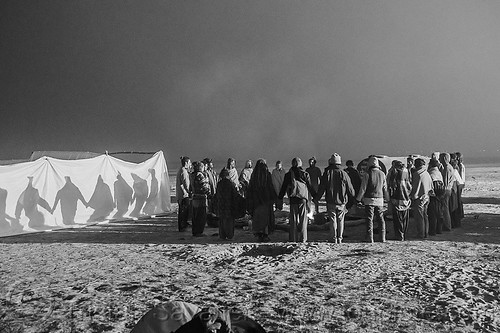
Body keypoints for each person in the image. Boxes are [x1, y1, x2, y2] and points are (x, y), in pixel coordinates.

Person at [315, 153, 355, 244]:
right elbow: (351, 189)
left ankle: (333, 238)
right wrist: (352, 200)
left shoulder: (327, 173)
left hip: (331, 201)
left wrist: (317, 198)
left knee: (333, 220)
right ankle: (340, 238)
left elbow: (322, 188)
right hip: (342, 202)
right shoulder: (344, 173)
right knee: (341, 220)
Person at [278, 157, 315, 243]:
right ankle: (303, 239)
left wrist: (279, 198)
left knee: (293, 220)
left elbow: (283, 188)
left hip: (293, 199)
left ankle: (293, 239)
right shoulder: (305, 174)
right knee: (303, 220)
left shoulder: (288, 175)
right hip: (302, 199)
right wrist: (316, 197)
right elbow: (310, 187)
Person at [356, 156, 387, 243]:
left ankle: (370, 237)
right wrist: (387, 198)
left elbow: (363, 188)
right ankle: (382, 237)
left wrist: (358, 199)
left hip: (369, 199)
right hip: (380, 199)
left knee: (369, 219)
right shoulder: (382, 174)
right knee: (381, 219)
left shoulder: (367, 174)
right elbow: (385, 188)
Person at [246, 159, 276, 242]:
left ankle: (259, 235)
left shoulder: (254, 175)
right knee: (265, 219)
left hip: (256, 202)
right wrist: (273, 198)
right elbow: (270, 187)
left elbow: (250, 189)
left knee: (258, 219)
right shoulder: (267, 175)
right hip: (265, 201)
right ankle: (265, 235)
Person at [388, 161, 412, 241]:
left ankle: (399, 235)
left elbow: (390, 186)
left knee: (397, 219)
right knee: (405, 219)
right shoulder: (406, 172)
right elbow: (409, 186)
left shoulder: (393, 172)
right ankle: (404, 234)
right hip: (406, 198)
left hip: (396, 199)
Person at [214, 168, 241, 240]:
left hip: (221, 204)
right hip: (229, 205)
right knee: (229, 221)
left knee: (222, 220)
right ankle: (229, 235)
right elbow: (235, 195)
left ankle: (222, 235)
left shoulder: (219, 184)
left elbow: (217, 194)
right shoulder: (230, 183)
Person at [410, 158, 433, 239]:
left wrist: (412, 196)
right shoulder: (426, 173)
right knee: (425, 216)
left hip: (419, 197)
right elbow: (431, 186)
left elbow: (414, 187)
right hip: (427, 196)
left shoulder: (417, 174)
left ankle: (421, 233)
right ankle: (426, 233)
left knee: (419, 217)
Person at [191, 161, 211, 237]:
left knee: (195, 216)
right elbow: (204, 186)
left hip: (195, 197)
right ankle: (199, 232)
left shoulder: (192, 175)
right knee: (201, 215)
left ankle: (195, 231)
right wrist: (209, 194)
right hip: (201, 198)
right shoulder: (200, 175)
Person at [428, 159, 445, 235]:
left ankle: (433, 231)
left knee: (433, 214)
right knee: (439, 213)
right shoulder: (439, 173)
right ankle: (439, 229)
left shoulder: (431, 173)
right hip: (441, 194)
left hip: (434, 195)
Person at [439, 153, 456, 231]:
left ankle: (447, 225)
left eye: (440, 158)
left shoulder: (447, 168)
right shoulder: (449, 167)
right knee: (446, 207)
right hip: (448, 189)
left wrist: (442, 192)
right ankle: (447, 224)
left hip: (446, 190)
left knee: (445, 208)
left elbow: (445, 181)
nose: (439, 160)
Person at [176, 156, 192, 232]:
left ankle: (182, 225)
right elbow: (186, 184)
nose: (190, 164)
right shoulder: (183, 172)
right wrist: (190, 192)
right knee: (183, 212)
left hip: (181, 194)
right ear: (186, 163)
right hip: (184, 195)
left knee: (182, 212)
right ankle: (182, 227)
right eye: (189, 163)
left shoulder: (181, 170)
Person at [202, 158, 218, 226]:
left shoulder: (212, 172)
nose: (212, 164)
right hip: (209, 193)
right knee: (208, 207)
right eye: (211, 163)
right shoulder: (205, 173)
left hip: (213, 192)